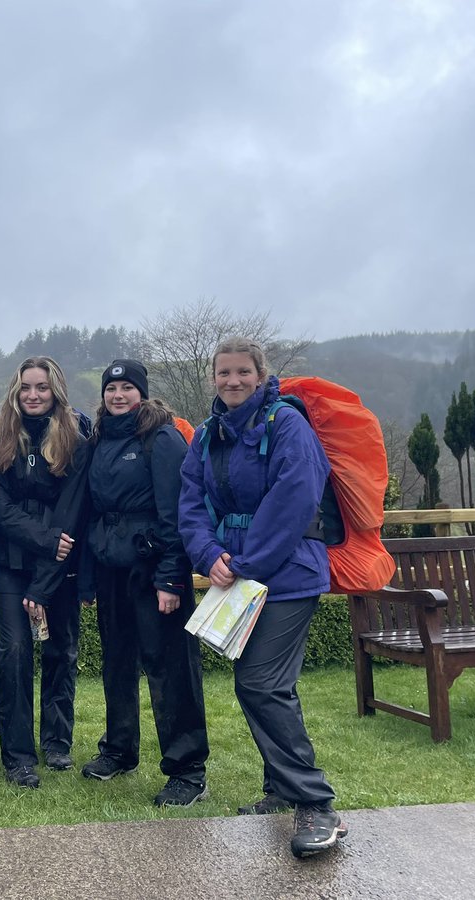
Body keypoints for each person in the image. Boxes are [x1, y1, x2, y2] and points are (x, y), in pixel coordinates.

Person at [177, 337, 347, 858]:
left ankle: (317, 804)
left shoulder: (286, 424)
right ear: (213, 377)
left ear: (260, 373)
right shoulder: (207, 436)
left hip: (289, 576)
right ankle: (279, 789)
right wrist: (207, 555)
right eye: (224, 372)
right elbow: (191, 502)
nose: (233, 380)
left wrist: (244, 563)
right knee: (261, 686)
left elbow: (294, 498)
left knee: (262, 685)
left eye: (243, 372)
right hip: (238, 576)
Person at [81, 359, 210, 806]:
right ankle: (119, 749)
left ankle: (187, 768)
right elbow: (90, 510)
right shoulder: (97, 440)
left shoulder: (162, 437)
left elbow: (176, 512)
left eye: (127, 388)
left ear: (142, 392)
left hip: (153, 566)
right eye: (111, 387)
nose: (118, 395)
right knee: (117, 663)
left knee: (169, 667)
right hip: (110, 566)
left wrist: (172, 578)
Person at [0, 357, 91, 788]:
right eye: (26, 386)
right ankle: (18, 754)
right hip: (12, 566)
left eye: (42, 387)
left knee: (61, 652)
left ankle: (57, 742)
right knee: (14, 654)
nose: (33, 394)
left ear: (55, 391)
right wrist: (44, 541)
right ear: (15, 390)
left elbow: (74, 510)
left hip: (61, 568)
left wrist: (46, 578)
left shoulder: (78, 440)